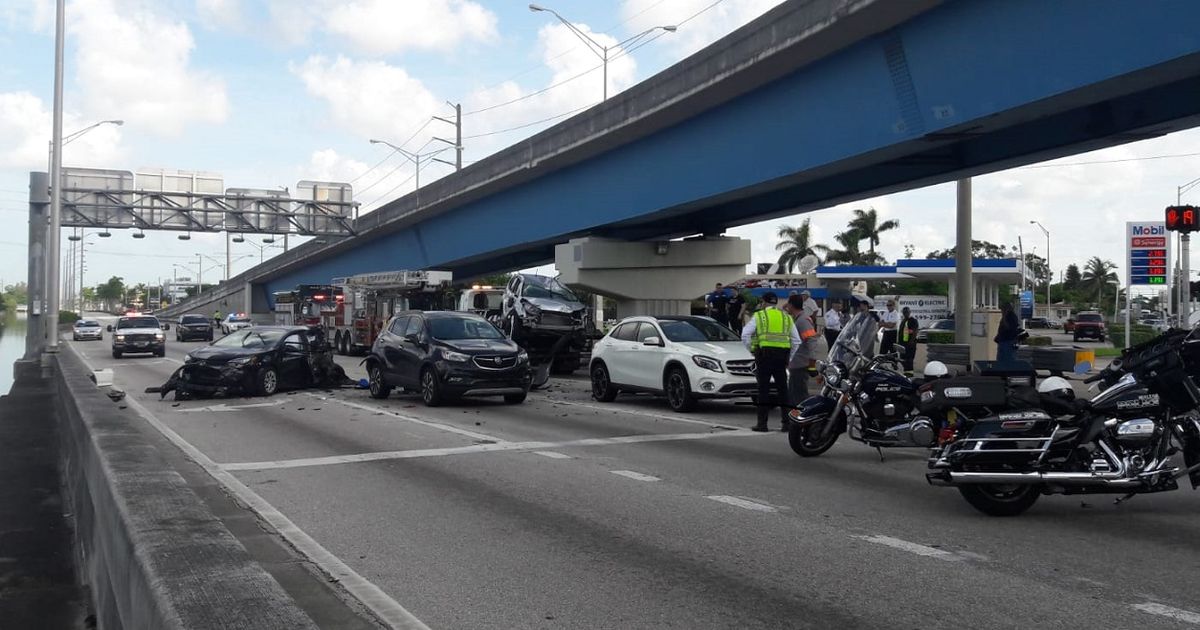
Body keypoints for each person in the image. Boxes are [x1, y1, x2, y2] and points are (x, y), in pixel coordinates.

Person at [741, 292, 801, 432]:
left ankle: (762, 424)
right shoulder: (786, 317)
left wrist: (752, 349)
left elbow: (745, 334)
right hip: (781, 358)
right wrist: (789, 358)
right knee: (783, 391)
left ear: (763, 302)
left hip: (764, 357)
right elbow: (797, 340)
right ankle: (786, 424)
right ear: (776, 302)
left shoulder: (759, 316)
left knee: (763, 390)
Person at [784, 294, 821, 413]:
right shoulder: (798, 319)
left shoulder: (803, 321)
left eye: (787, 305)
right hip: (796, 364)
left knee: (799, 396)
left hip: (800, 364)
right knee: (794, 395)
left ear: (790, 305)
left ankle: (803, 419)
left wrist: (811, 364)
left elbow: (811, 340)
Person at [838, 295, 879, 360]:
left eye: (861, 305)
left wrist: (875, 333)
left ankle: (870, 362)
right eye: (860, 306)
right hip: (861, 335)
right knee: (861, 350)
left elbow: (877, 323)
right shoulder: (860, 315)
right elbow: (854, 324)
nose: (860, 307)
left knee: (869, 351)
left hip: (869, 336)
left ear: (866, 306)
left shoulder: (872, 315)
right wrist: (849, 330)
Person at [898, 306, 920, 374]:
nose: (905, 313)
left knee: (909, 360)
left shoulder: (913, 320)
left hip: (910, 344)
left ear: (910, 312)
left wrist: (911, 341)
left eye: (907, 312)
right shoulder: (903, 320)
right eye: (904, 312)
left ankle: (909, 375)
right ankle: (906, 373)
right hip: (903, 343)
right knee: (903, 359)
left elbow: (915, 331)